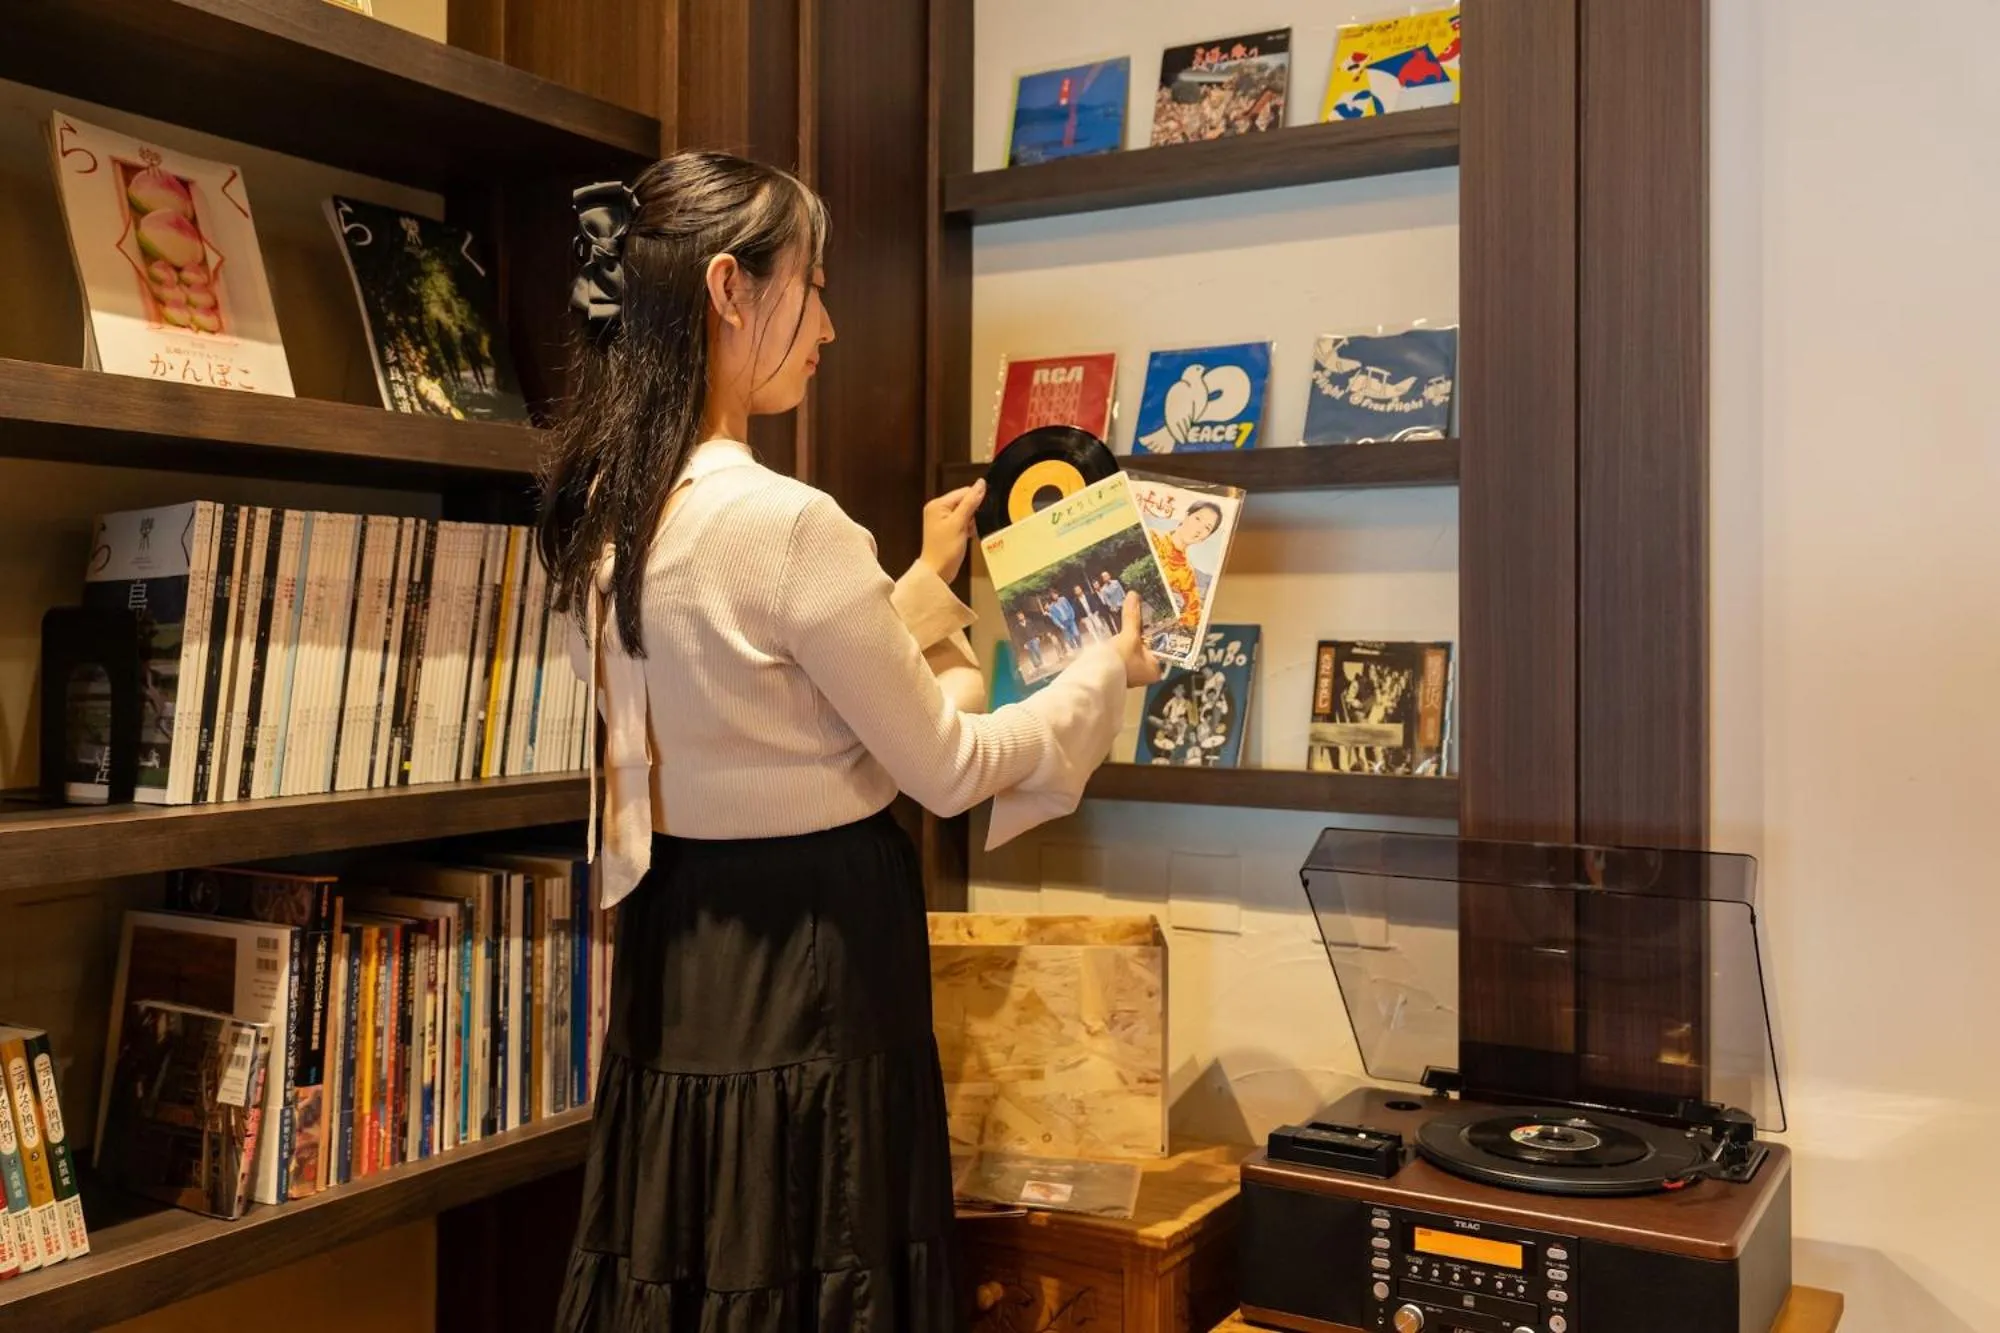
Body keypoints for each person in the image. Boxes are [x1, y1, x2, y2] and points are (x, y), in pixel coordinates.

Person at [536, 152, 1160, 1332]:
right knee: (822, 1248)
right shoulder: (788, 522)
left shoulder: (602, 505)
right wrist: (1096, 672)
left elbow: (753, 686)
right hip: (816, 950)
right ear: (729, 288)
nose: (826, 322)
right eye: (810, 286)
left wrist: (920, 583)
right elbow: (948, 765)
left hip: (681, 942)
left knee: (693, 1243)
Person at [1149, 500, 1225, 635]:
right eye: (1197, 519)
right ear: (1185, 516)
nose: (1199, 529)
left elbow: (1194, 614)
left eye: (1207, 528)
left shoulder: (1187, 573)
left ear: (1205, 538)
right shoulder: (1152, 537)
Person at [1046, 587, 1080, 651]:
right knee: (1069, 638)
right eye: (1052, 595)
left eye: (1055, 594)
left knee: (1076, 634)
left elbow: (1070, 607)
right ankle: (1074, 648)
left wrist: (1072, 616)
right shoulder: (1051, 607)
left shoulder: (1063, 599)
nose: (1054, 596)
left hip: (1070, 620)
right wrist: (1060, 625)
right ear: (1051, 597)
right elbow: (1054, 618)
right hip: (1063, 623)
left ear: (1057, 594)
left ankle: (1080, 646)